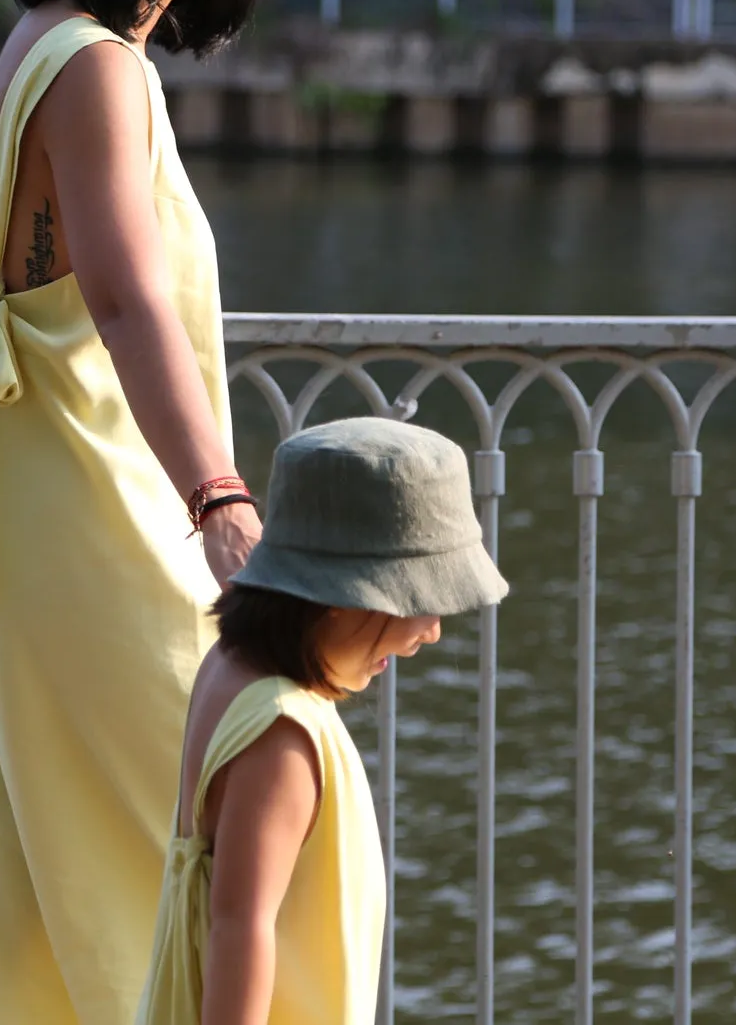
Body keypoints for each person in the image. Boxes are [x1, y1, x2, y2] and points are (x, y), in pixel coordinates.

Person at [0, 0, 309, 1025]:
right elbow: (126, 297)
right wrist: (219, 494)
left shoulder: (47, 45)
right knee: (190, 824)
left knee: (37, 873)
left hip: (35, 494)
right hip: (84, 499)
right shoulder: (91, 65)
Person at [136, 417, 510, 1025]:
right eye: (419, 599)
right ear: (341, 592)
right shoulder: (282, 734)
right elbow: (241, 929)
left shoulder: (229, 667)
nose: (432, 631)